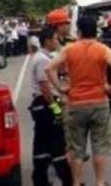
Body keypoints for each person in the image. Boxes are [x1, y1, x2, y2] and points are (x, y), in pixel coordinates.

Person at [46, 15, 111, 186]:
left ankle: (77, 182)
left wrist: (61, 88)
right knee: (101, 146)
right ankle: (100, 182)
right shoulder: (103, 49)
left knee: (76, 148)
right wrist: (110, 89)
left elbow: (49, 68)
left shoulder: (69, 49)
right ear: (95, 31)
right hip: (99, 102)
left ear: (79, 31)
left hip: (75, 104)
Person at [29, 29, 73, 186]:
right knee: (57, 143)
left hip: (42, 105)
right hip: (45, 104)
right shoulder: (42, 60)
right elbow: (44, 86)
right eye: (55, 39)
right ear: (47, 41)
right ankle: (68, 180)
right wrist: (56, 108)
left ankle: (40, 180)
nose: (57, 42)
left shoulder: (44, 57)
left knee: (42, 144)